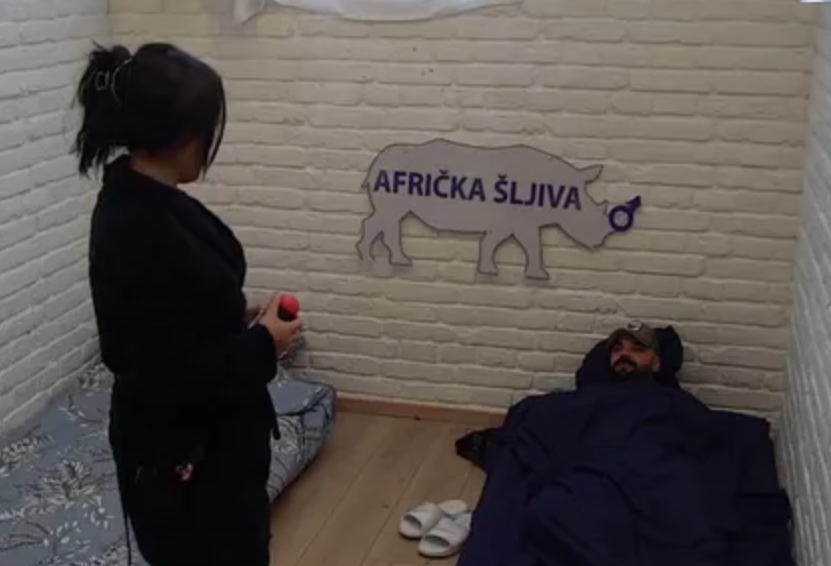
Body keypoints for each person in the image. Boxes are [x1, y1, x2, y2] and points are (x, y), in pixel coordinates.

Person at [74, 42, 301, 566]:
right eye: (205, 128)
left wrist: (237, 314)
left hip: (213, 447)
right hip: (184, 462)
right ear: (179, 133)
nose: (209, 141)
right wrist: (265, 342)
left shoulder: (146, 200)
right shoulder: (137, 228)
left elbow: (173, 310)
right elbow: (171, 374)